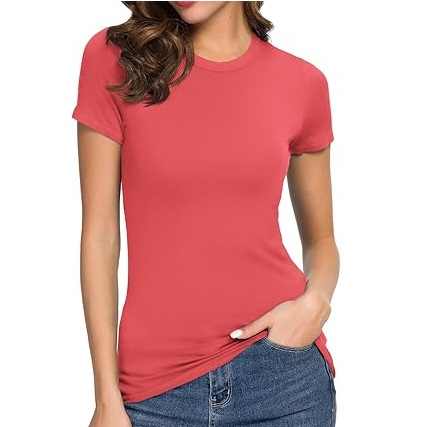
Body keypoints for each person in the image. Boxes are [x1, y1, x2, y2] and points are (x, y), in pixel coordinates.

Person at [72, 1, 339, 426]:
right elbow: (100, 235)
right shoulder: (116, 58)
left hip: (284, 382)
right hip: (155, 393)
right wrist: (106, 397)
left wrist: (315, 304)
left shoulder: (302, 83)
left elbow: (321, 240)